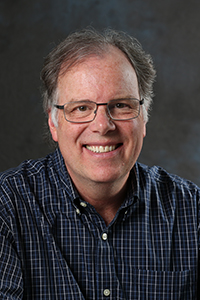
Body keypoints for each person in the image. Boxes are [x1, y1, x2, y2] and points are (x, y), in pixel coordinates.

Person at [0, 27, 199, 300]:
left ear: (144, 117)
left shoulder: (192, 213)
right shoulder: (7, 209)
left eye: (121, 105)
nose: (103, 126)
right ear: (53, 122)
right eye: (81, 108)